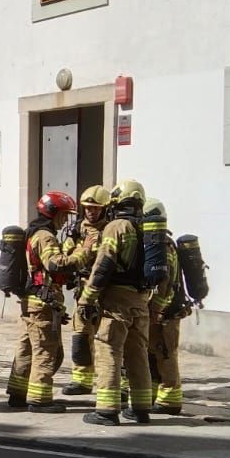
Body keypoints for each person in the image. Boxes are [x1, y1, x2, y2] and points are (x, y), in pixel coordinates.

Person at [74, 179, 155, 426]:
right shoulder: (147, 228)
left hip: (116, 300)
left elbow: (103, 266)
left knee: (108, 350)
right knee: (137, 354)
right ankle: (141, 408)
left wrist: (87, 299)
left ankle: (106, 410)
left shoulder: (116, 226)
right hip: (141, 300)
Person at [7, 191, 78, 412]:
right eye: (64, 215)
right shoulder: (45, 236)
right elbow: (55, 264)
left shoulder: (32, 232)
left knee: (26, 350)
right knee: (46, 352)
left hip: (31, 300)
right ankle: (40, 399)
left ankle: (18, 393)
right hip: (42, 303)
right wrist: (81, 254)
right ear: (53, 214)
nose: (65, 221)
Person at [61, 185, 110, 396]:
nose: (91, 212)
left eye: (96, 208)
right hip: (82, 290)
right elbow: (65, 254)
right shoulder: (76, 230)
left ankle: (111, 382)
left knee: (109, 338)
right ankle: (81, 380)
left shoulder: (110, 229)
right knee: (81, 336)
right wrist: (85, 248)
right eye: (88, 208)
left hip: (105, 292)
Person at [145, 198, 185, 416]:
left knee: (166, 354)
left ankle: (170, 399)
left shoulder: (165, 247)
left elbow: (166, 284)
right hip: (159, 312)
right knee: (153, 353)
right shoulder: (156, 245)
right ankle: (153, 392)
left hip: (166, 313)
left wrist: (157, 311)